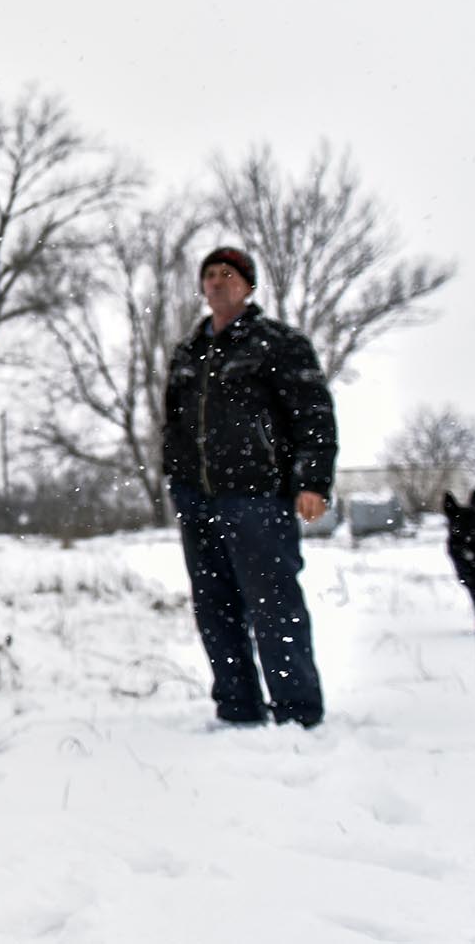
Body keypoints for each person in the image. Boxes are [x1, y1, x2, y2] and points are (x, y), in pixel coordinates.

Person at [162, 246, 337, 728]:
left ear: (249, 285)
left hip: (258, 497)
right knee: (215, 609)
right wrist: (177, 482)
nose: (218, 282)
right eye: (210, 275)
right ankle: (237, 709)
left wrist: (313, 482)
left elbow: (314, 416)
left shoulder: (278, 343)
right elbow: (173, 425)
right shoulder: (189, 351)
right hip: (199, 501)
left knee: (274, 605)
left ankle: (297, 711)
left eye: (229, 275)